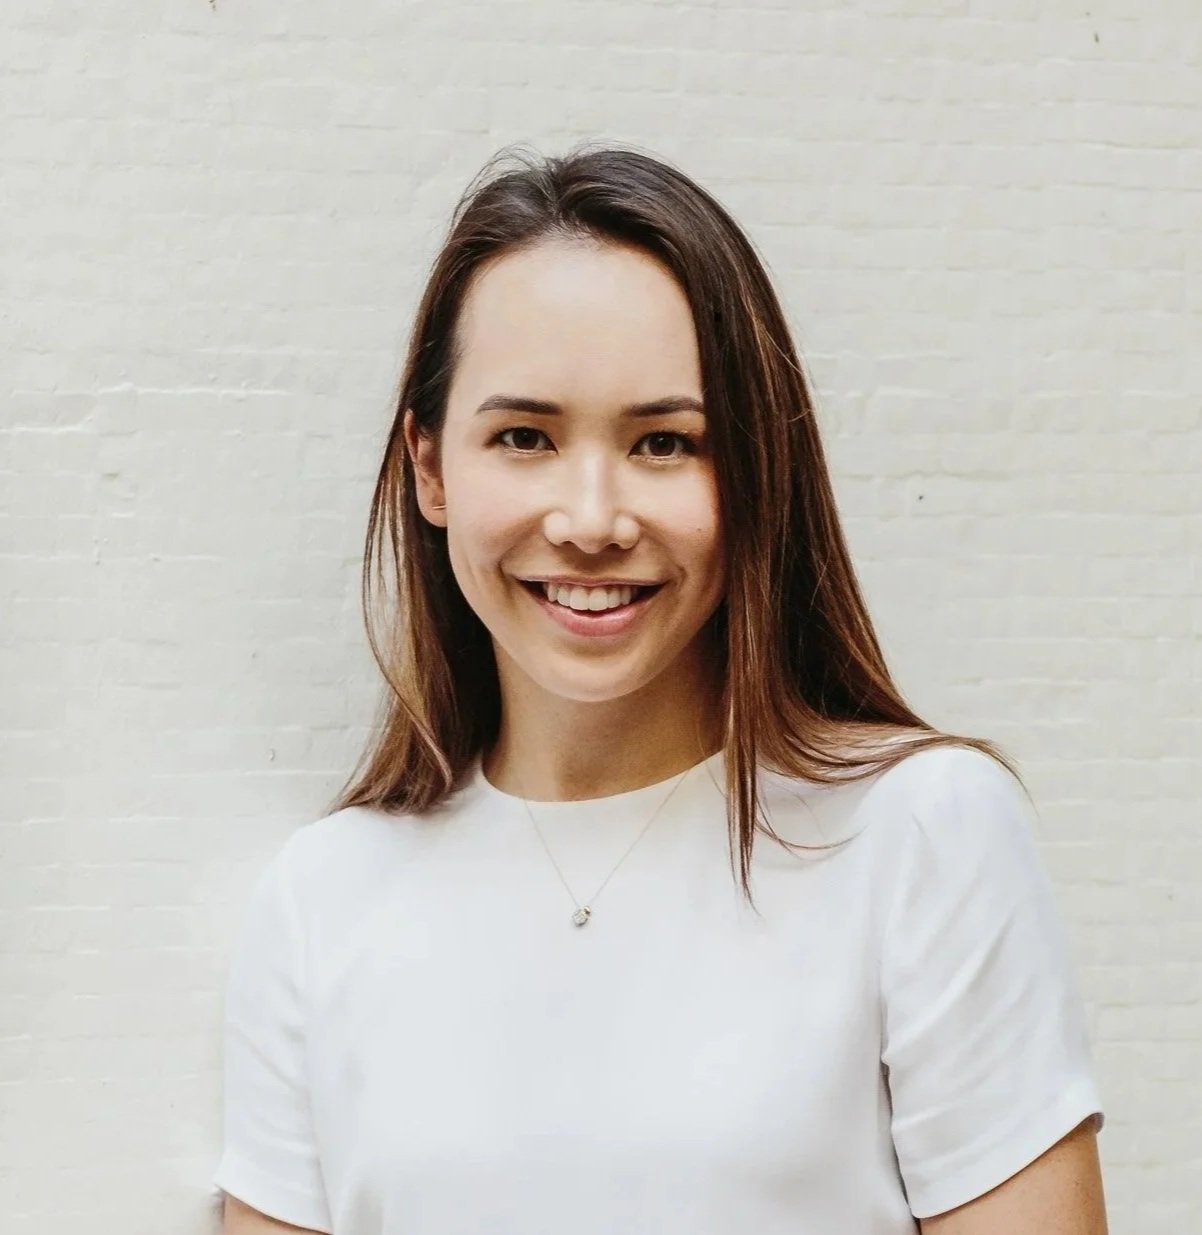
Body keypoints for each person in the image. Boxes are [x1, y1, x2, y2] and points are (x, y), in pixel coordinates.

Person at [213, 143, 1108, 1234]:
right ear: (431, 466)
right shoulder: (320, 897)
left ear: (751, 473)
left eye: (664, 442)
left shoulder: (918, 832)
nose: (591, 518)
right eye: (525, 436)